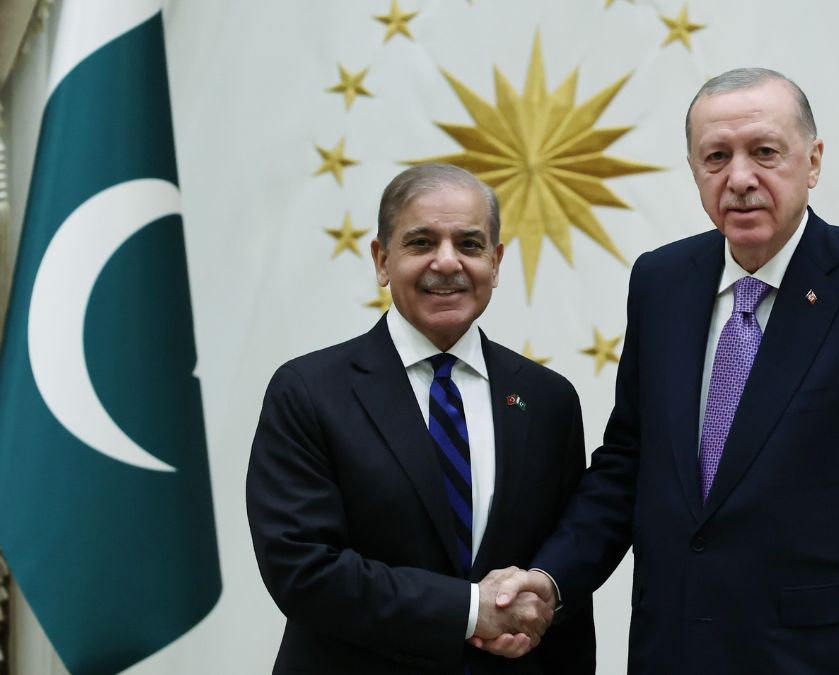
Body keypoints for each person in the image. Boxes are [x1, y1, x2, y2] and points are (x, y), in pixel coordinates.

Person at [484, 68, 839, 673]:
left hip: (820, 658)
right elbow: (629, 465)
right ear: (694, 170)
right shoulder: (661, 282)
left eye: (765, 152)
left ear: (812, 162)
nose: (740, 179)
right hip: (675, 650)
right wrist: (550, 579)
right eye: (717, 157)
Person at [246, 163, 595, 674]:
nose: (447, 262)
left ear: (496, 263)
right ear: (382, 260)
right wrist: (472, 610)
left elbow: (560, 587)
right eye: (422, 242)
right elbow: (303, 570)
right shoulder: (308, 391)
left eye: (470, 245)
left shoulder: (547, 401)